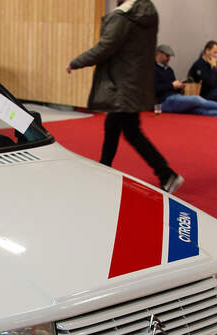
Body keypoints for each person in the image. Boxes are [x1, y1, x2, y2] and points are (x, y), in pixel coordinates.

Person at [67, 0, 183, 193]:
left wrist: (76, 62)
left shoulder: (124, 16)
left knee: (132, 132)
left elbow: (106, 47)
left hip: (122, 84)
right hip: (134, 82)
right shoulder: (147, 14)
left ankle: (166, 174)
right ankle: (104, 166)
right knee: (112, 125)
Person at [155, 44, 217, 119]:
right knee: (196, 99)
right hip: (161, 103)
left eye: (169, 56)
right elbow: (153, 89)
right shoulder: (151, 69)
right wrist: (172, 85)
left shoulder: (169, 70)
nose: (168, 59)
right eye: (167, 56)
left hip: (174, 97)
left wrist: (180, 86)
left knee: (198, 110)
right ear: (158, 53)